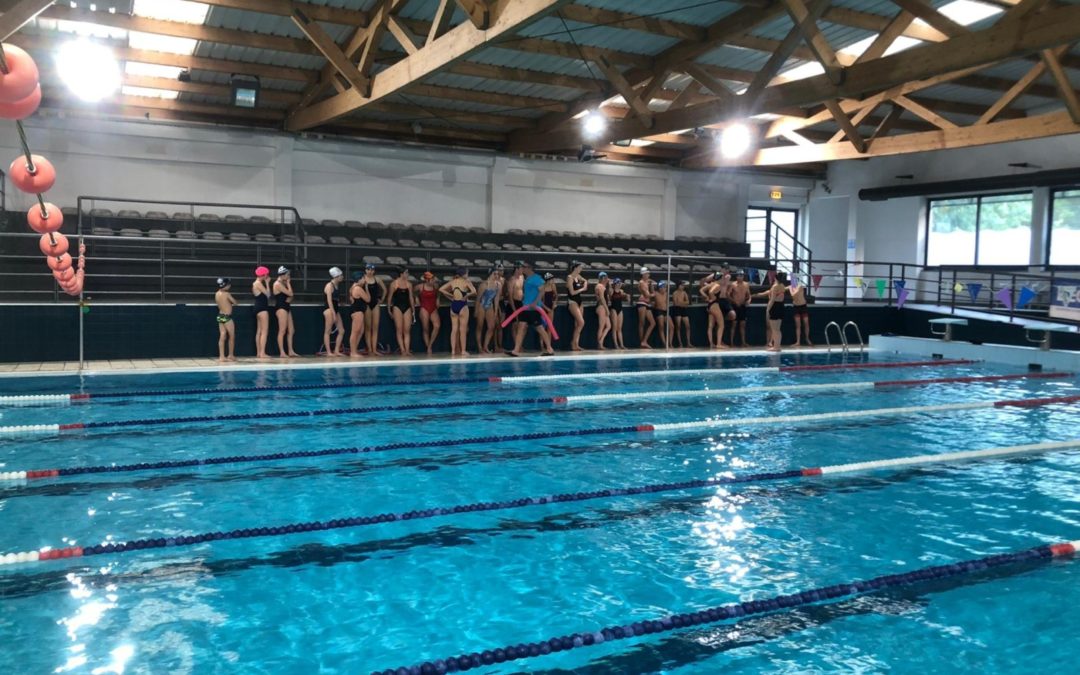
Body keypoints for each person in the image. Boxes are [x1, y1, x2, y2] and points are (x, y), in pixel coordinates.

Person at [509, 260, 554, 357]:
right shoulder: (527, 279)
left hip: (533, 309)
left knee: (540, 328)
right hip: (525, 307)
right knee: (521, 328)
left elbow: (542, 291)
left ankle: (550, 349)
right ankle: (516, 350)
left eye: (524, 267)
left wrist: (535, 303)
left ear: (529, 268)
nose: (523, 269)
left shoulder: (536, 278)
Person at [440, 268, 476, 356]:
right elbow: (475, 292)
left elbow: (441, 289)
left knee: (454, 329)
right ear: (464, 274)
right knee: (462, 330)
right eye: (467, 273)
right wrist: (467, 295)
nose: (468, 275)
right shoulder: (466, 282)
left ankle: (453, 351)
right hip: (462, 305)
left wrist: (450, 296)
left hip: (454, 305)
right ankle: (463, 350)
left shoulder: (453, 282)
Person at [388, 267, 415, 356]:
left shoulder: (409, 284)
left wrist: (413, 309)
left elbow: (411, 298)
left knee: (407, 330)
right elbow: (390, 298)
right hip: (397, 307)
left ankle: (407, 350)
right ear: (401, 274)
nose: (408, 275)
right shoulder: (394, 284)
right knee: (399, 330)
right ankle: (402, 350)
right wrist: (389, 309)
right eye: (406, 273)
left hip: (407, 307)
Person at [273, 266, 299, 358]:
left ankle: (291, 351)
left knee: (291, 330)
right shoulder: (277, 284)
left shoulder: (282, 283)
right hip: (281, 308)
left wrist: (289, 297)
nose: (289, 277)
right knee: (282, 330)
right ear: (283, 275)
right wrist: (288, 283)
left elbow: (291, 297)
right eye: (288, 275)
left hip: (286, 307)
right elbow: (291, 294)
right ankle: (282, 352)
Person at [475, 267, 502, 354]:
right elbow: (478, 299)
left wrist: (496, 311)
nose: (497, 276)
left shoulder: (498, 285)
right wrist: (476, 310)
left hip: (489, 306)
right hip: (481, 306)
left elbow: (496, 299)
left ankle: (485, 346)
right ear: (490, 274)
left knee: (491, 327)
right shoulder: (484, 285)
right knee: (480, 327)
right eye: (495, 274)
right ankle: (479, 347)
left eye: (497, 274)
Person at [362, 264, 387, 356]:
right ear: (365, 270)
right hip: (367, 304)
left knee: (375, 328)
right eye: (368, 270)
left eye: (372, 270)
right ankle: (369, 349)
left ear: (374, 271)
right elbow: (353, 289)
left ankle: (374, 349)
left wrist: (382, 299)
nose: (370, 272)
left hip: (375, 304)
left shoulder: (377, 279)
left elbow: (385, 289)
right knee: (368, 328)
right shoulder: (363, 279)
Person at [760, 271, 787, 352]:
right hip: (781, 306)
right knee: (778, 329)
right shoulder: (782, 286)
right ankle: (777, 346)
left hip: (775, 307)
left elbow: (772, 300)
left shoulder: (775, 287)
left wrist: (768, 309)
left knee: (774, 329)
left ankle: (776, 347)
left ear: (775, 278)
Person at [416, 271, 441, 355]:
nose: (433, 281)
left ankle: (430, 345)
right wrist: (416, 299)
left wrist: (438, 300)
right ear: (426, 280)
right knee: (426, 328)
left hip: (433, 308)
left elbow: (438, 293)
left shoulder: (436, 286)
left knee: (437, 326)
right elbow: (412, 292)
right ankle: (428, 347)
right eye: (431, 279)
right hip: (424, 308)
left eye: (433, 279)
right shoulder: (420, 287)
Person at [322, 266, 345, 357]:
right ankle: (328, 352)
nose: (342, 277)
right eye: (341, 275)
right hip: (329, 310)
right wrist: (333, 314)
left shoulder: (336, 285)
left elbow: (335, 299)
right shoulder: (329, 286)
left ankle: (336, 351)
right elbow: (329, 300)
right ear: (336, 276)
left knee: (341, 330)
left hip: (335, 309)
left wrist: (339, 304)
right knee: (328, 331)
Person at [348, 271, 371, 358]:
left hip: (356, 311)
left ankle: (354, 350)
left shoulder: (352, 287)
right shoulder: (358, 289)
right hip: (357, 312)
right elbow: (368, 299)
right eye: (363, 278)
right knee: (355, 332)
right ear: (359, 279)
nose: (365, 280)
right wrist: (367, 288)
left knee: (360, 331)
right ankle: (353, 352)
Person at [566, 261, 588, 351]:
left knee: (577, 324)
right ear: (575, 268)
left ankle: (576, 344)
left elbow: (585, 281)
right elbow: (572, 292)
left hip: (579, 301)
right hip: (572, 301)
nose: (581, 269)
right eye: (580, 267)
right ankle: (573, 342)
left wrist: (585, 285)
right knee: (581, 322)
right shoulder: (570, 277)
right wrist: (582, 289)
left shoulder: (578, 277)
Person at [215, 277, 237, 362]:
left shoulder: (216, 293)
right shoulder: (227, 294)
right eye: (229, 284)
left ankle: (221, 356)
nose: (230, 286)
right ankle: (231, 355)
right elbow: (235, 302)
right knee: (232, 336)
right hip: (227, 317)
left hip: (220, 316)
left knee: (222, 335)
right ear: (226, 285)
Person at [252, 266, 272, 358]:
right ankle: (262, 353)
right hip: (262, 309)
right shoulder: (258, 283)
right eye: (266, 275)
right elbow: (268, 295)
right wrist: (267, 283)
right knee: (264, 331)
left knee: (259, 331)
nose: (267, 276)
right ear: (263, 275)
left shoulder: (255, 283)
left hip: (257, 308)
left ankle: (258, 352)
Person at [729, 270, 752, 348]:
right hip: (735, 306)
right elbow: (728, 295)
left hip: (742, 306)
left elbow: (749, 295)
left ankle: (743, 342)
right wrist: (734, 301)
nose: (740, 277)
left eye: (741, 276)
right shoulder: (733, 284)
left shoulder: (746, 285)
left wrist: (749, 300)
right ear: (736, 276)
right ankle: (731, 343)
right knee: (734, 325)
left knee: (743, 325)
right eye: (739, 276)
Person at [636, 267, 655, 349]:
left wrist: (652, 287)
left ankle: (644, 341)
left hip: (646, 303)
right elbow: (647, 295)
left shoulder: (646, 283)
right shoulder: (641, 283)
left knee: (653, 323)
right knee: (642, 323)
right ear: (643, 274)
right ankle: (642, 342)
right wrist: (653, 294)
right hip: (642, 303)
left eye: (648, 273)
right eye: (647, 273)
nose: (648, 275)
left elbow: (650, 294)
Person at [790, 277, 813, 347]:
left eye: (794, 280)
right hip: (796, 307)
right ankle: (798, 342)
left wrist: (790, 289)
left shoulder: (800, 286)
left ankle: (807, 338)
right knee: (798, 325)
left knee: (806, 323)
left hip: (803, 306)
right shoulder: (791, 287)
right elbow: (783, 290)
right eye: (792, 281)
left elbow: (794, 295)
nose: (793, 282)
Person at [653, 280, 672, 349]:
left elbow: (667, 303)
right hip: (659, 311)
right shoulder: (656, 293)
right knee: (661, 326)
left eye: (664, 287)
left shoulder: (666, 294)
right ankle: (664, 343)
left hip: (665, 311)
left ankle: (670, 343)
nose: (663, 289)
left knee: (671, 326)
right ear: (659, 288)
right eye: (662, 287)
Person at [609, 278, 628, 350]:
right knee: (614, 328)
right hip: (613, 309)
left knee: (619, 328)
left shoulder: (621, 291)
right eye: (618, 283)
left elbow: (625, 296)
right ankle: (616, 344)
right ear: (615, 284)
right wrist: (612, 285)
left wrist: (627, 296)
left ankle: (622, 344)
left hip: (620, 309)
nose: (619, 284)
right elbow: (610, 294)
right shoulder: (612, 291)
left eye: (620, 283)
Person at [672, 280, 691, 348]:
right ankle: (680, 343)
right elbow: (675, 303)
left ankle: (688, 343)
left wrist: (681, 303)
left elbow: (688, 302)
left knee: (688, 326)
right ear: (678, 286)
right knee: (678, 326)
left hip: (683, 310)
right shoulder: (675, 293)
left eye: (683, 285)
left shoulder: (684, 293)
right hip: (677, 310)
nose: (683, 286)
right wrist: (683, 303)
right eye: (681, 285)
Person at [595, 271, 611, 350]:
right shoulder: (599, 286)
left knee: (608, 326)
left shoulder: (604, 286)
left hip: (603, 307)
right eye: (605, 278)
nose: (606, 279)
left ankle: (601, 341)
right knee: (601, 326)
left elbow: (608, 297)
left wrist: (610, 285)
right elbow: (602, 298)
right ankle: (599, 344)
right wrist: (607, 309)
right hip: (601, 307)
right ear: (601, 278)